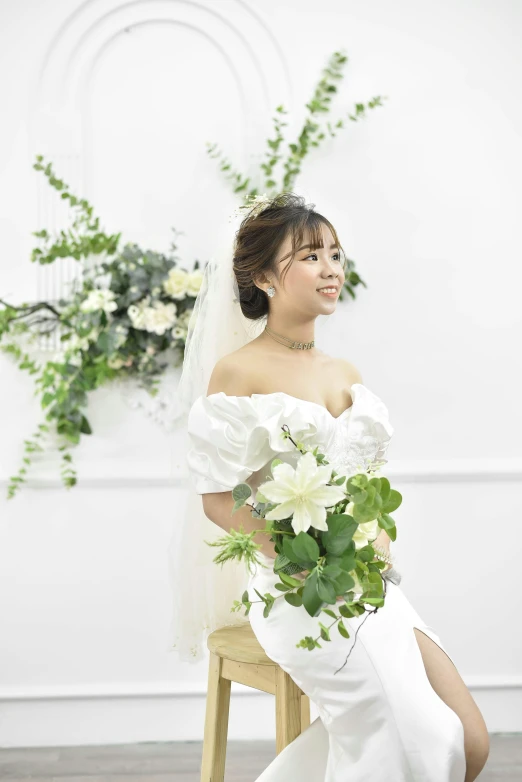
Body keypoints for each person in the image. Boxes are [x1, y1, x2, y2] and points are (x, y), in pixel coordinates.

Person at [171, 193, 489, 781]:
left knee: (470, 741)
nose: (332, 269)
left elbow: (367, 483)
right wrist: (296, 555)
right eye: (312, 256)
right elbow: (218, 497)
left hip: (371, 582)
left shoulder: (346, 374)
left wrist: (378, 537)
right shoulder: (239, 371)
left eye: (336, 255)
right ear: (264, 275)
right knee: (427, 739)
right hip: (301, 592)